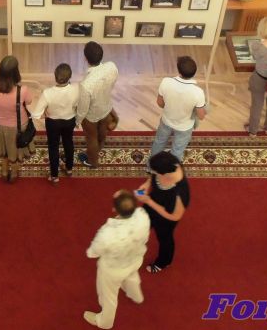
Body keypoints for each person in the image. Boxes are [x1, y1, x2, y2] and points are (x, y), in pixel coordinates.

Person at [83, 189, 150, 329]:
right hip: (135, 259)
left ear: (114, 209)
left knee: (108, 297)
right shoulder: (143, 216)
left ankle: (105, 322)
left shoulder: (107, 233)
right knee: (132, 277)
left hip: (113, 270)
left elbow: (93, 253)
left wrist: (91, 251)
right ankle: (136, 296)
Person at [135, 151, 190, 274]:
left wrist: (149, 201)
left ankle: (163, 262)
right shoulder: (169, 164)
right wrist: (147, 184)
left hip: (166, 216)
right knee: (141, 224)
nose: (152, 173)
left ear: (164, 173)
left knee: (164, 238)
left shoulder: (181, 193)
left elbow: (175, 216)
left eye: (155, 171)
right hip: (153, 201)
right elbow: (153, 175)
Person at [0, 56, 34, 183]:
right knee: (16, 150)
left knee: (4, 149)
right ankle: (13, 172)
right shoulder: (22, 91)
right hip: (18, 126)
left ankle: (4, 170)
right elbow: (29, 101)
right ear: (16, 72)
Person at [150, 56, 206, 161]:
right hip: (184, 127)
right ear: (194, 73)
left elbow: (160, 103)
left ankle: (151, 167)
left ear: (179, 70)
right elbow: (201, 116)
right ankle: (171, 169)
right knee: (177, 150)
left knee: (158, 143)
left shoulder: (166, 82)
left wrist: (171, 107)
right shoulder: (198, 93)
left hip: (166, 121)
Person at [32, 63, 79, 184]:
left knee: (53, 147)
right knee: (68, 142)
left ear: (55, 77)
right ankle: (69, 169)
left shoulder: (47, 93)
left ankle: (54, 176)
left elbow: (36, 114)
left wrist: (44, 114)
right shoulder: (76, 89)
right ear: (70, 76)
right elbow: (79, 106)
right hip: (69, 121)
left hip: (53, 123)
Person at [77, 42, 119, 168]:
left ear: (85, 58)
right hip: (106, 107)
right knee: (102, 132)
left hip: (91, 116)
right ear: (101, 55)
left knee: (91, 138)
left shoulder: (85, 84)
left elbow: (83, 108)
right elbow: (113, 83)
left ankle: (92, 162)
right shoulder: (112, 66)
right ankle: (100, 148)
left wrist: (78, 120)